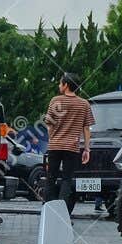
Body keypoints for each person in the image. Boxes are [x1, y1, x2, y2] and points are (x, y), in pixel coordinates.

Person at [43, 74, 93, 211]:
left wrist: (52, 137)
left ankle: (48, 209)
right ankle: (62, 211)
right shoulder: (84, 104)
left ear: (65, 85)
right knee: (66, 180)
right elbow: (86, 128)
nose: (59, 86)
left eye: (60, 83)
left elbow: (49, 124)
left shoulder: (55, 100)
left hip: (55, 146)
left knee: (51, 178)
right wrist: (87, 149)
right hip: (72, 148)